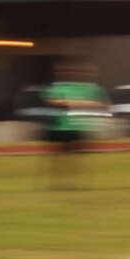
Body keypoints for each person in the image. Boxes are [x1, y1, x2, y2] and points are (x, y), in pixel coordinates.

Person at [40, 59, 110, 189]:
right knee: (58, 156)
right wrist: (74, 103)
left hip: (76, 125)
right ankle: (56, 182)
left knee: (77, 156)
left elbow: (101, 104)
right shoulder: (57, 87)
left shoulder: (89, 88)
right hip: (59, 126)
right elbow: (50, 100)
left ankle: (72, 182)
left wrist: (73, 103)